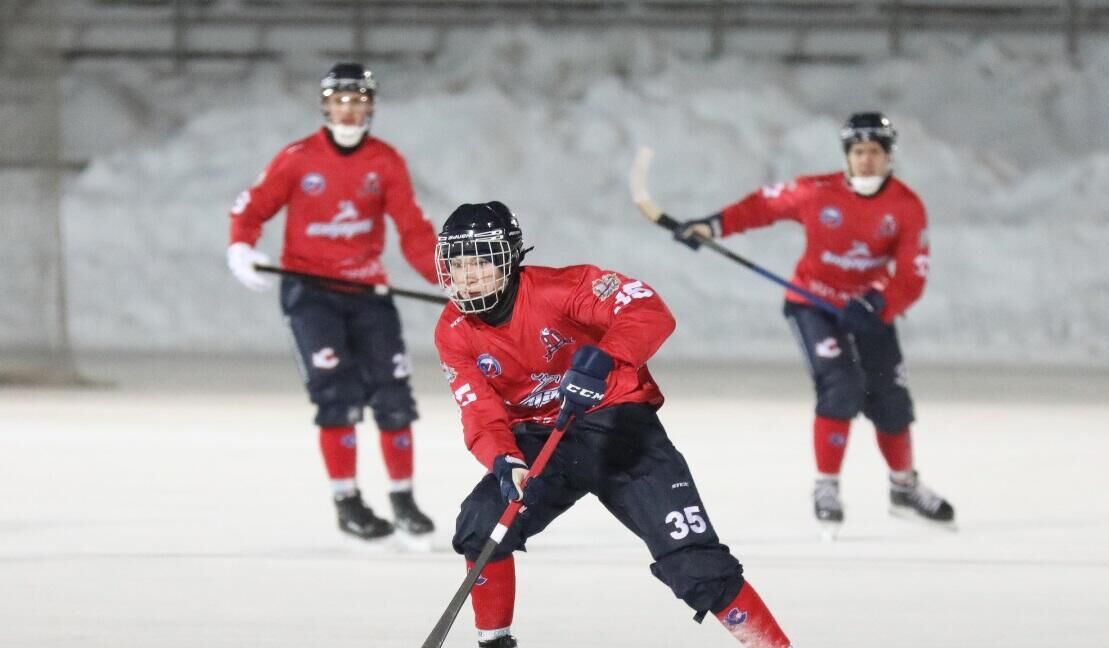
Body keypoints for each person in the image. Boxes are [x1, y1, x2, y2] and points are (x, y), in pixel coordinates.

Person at [433, 201, 793, 648]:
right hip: (544, 442)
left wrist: (606, 359)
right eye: (457, 262)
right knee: (482, 521)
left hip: (619, 430)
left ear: (509, 258)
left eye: (480, 260)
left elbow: (648, 309)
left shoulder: (562, 289)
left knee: (696, 567)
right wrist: (503, 460)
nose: (466, 276)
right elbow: (480, 413)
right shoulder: (453, 330)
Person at [673, 112, 955, 535]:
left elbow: (913, 276)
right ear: (847, 156)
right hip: (814, 303)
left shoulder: (906, 206)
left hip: (870, 308)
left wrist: (879, 300)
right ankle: (826, 488)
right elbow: (763, 206)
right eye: (858, 152)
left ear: (889, 157)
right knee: (840, 388)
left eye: (875, 153)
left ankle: (903, 487)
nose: (866, 161)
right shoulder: (816, 192)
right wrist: (712, 226)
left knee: (890, 399)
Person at [226, 62, 436, 541]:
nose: (349, 110)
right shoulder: (298, 159)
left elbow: (413, 230)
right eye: (341, 101)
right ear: (326, 105)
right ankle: (347, 500)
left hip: (368, 292)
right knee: (336, 397)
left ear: (372, 106)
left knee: (394, 396)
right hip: (311, 295)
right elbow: (252, 207)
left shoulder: (385, 162)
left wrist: (449, 277)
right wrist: (241, 246)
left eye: (359, 101)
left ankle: (402, 497)